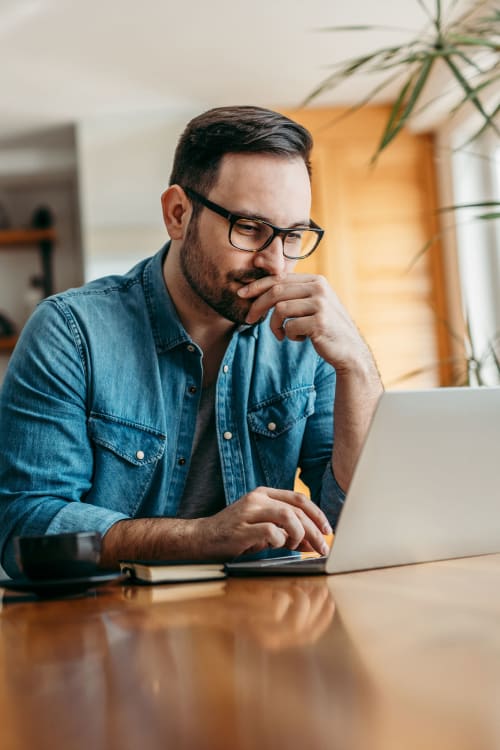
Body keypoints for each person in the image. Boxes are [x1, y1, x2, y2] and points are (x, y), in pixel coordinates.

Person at [0, 106, 382, 576]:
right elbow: (26, 526)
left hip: (267, 627)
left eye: (293, 236)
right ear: (178, 214)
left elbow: (363, 519)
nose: (276, 263)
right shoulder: (71, 332)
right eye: (249, 228)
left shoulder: (309, 338)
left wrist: (357, 367)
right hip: (112, 629)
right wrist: (205, 537)